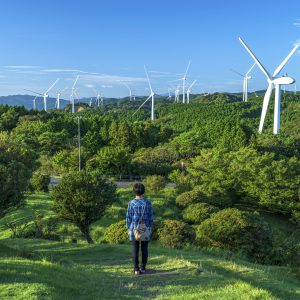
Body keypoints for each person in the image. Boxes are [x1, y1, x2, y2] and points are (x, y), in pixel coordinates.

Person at [126, 183, 154, 275]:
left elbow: (128, 217)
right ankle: (143, 268)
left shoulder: (131, 203)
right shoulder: (148, 202)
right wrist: (149, 227)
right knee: (144, 249)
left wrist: (128, 228)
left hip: (134, 228)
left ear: (134, 191)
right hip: (145, 227)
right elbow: (151, 217)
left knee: (135, 249)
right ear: (143, 191)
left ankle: (136, 269)